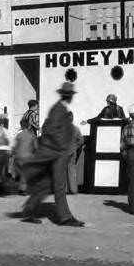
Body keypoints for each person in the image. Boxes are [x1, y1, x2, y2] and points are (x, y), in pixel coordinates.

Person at [20, 82, 84, 227]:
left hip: (55, 153)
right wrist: (61, 147)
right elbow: (50, 130)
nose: (71, 97)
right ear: (67, 95)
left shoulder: (60, 108)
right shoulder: (58, 109)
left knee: (46, 184)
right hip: (57, 154)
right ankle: (65, 218)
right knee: (59, 185)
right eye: (70, 95)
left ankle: (29, 210)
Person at [12, 118, 38, 196]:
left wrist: (13, 154)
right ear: (29, 126)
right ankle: (23, 189)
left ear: (21, 126)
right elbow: (36, 147)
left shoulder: (18, 135)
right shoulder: (32, 135)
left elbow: (15, 147)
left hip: (18, 157)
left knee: (21, 172)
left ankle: (21, 187)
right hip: (28, 157)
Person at [67, 113, 83, 194]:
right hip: (72, 151)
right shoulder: (76, 129)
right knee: (72, 171)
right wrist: (75, 147)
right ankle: (73, 190)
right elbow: (81, 141)